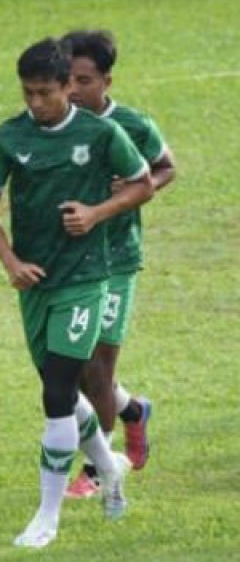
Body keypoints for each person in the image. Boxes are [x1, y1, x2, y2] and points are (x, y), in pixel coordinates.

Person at [0, 38, 155, 547]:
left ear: (65, 89)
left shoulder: (102, 133)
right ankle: (110, 468)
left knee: (55, 393)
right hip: (36, 283)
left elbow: (143, 182)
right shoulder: (9, 137)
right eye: (28, 93)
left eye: (46, 93)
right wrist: (11, 262)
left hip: (86, 279)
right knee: (65, 391)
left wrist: (96, 213)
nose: (36, 103)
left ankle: (46, 518)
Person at [61, 30, 174, 499]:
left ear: (107, 80)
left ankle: (97, 467)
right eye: (66, 80)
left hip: (116, 261)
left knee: (97, 370)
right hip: (70, 261)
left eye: (84, 80)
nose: (73, 90)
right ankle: (132, 412)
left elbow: (165, 167)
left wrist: (126, 193)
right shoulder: (56, 124)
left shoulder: (131, 124)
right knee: (74, 366)